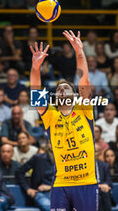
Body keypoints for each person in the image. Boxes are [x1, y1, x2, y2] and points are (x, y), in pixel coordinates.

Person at [30, 30, 98, 210]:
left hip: (87, 182)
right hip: (61, 183)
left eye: (66, 88)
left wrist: (79, 52)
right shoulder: (51, 114)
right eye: (59, 89)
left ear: (74, 95)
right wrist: (36, 68)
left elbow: (84, 79)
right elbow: (36, 93)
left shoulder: (84, 109)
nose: (62, 90)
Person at [16, 144, 54, 211]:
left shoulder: (65, 161)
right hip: (41, 193)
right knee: (50, 207)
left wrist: (49, 187)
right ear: (48, 145)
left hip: (59, 194)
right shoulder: (38, 158)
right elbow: (19, 172)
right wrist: (27, 189)